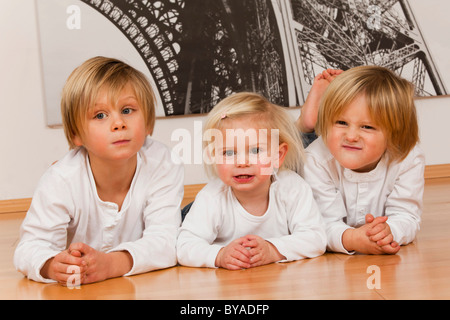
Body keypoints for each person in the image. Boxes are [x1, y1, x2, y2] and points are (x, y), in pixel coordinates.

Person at [14, 56, 184, 285]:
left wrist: (111, 264)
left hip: (141, 287)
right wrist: (51, 265)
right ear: (76, 135)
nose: (118, 123)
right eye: (100, 115)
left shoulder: (163, 162)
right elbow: (29, 247)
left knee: (191, 226)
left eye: (127, 110)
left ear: (149, 122)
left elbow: (167, 241)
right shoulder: (61, 179)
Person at [177, 92, 326, 270]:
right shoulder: (212, 197)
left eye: (255, 150)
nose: (242, 162)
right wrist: (219, 255)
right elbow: (184, 246)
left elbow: (316, 238)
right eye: (229, 153)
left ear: (278, 155)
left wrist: (272, 250)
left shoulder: (292, 188)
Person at [303, 65, 425, 255]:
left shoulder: (407, 158)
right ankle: (306, 125)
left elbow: (407, 215)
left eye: (367, 127)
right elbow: (319, 224)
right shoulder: (316, 159)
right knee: (282, 164)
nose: (351, 136)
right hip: (296, 169)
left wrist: (390, 231)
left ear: (395, 134)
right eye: (341, 122)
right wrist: (350, 239)